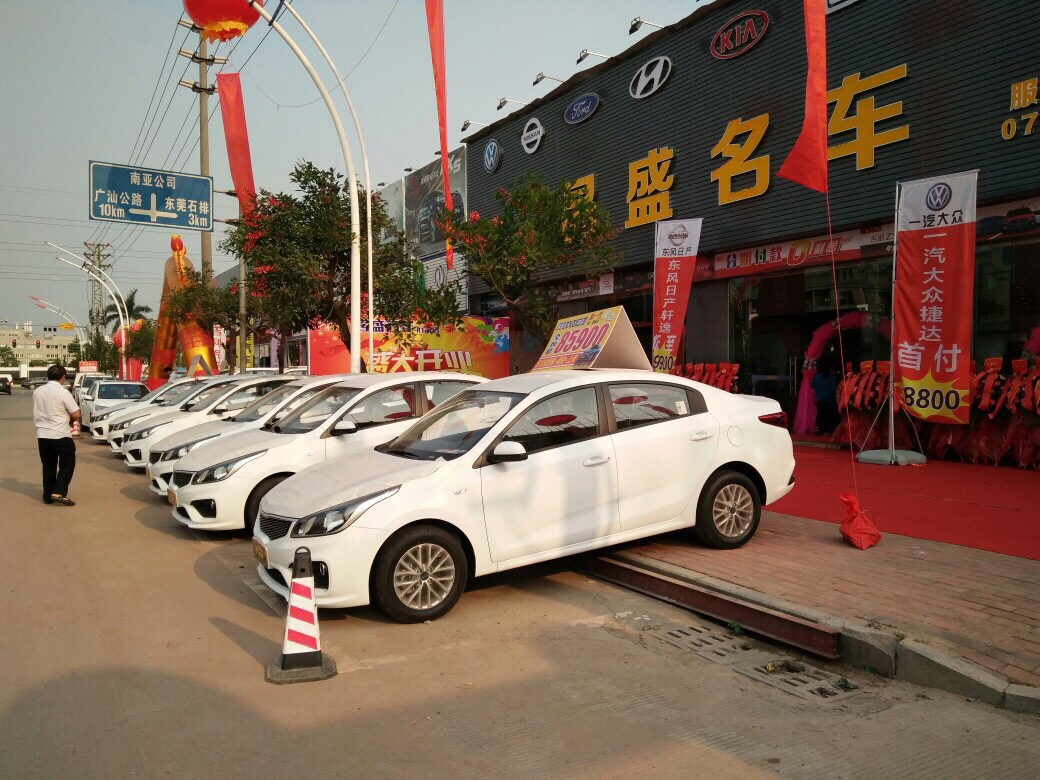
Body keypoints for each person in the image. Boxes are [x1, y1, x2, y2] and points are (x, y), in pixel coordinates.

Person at [33, 364, 80, 506]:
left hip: (42, 434)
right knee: (68, 463)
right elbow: (76, 414)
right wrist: (70, 420)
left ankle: (48, 496)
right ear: (63, 377)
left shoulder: (37, 391)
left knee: (48, 465)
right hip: (60, 434)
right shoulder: (63, 392)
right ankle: (58, 492)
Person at [811, 364, 839, 435]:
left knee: (820, 413)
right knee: (828, 414)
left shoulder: (817, 376)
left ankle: (818, 428)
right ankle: (826, 430)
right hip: (829, 398)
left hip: (819, 398)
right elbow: (833, 389)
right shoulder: (831, 377)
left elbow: (812, 385)